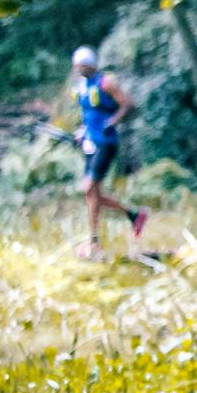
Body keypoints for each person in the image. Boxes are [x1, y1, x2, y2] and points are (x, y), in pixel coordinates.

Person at [70, 46, 149, 258]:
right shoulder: (81, 87)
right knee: (91, 193)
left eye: (82, 65)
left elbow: (128, 105)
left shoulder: (106, 83)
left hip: (106, 142)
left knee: (89, 188)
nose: (79, 69)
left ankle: (95, 240)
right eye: (77, 65)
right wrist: (80, 133)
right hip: (89, 143)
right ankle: (133, 216)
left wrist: (112, 122)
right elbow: (87, 116)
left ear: (92, 65)